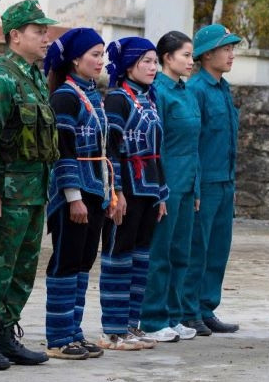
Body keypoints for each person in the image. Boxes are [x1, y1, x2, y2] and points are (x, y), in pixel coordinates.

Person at [0, 0, 59, 368]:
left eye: (47, 31)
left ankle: (6, 333)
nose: (46, 38)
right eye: (39, 32)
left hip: (34, 190)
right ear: (15, 35)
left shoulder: (34, 76)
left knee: (23, 267)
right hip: (7, 193)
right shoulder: (1, 78)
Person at [43, 27, 114, 360]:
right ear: (75, 59)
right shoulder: (65, 96)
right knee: (67, 260)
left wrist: (110, 193)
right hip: (75, 192)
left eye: (102, 55)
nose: (100, 61)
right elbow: (63, 149)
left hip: (94, 189)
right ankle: (58, 336)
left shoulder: (92, 94)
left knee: (84, 262)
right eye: (94, 55)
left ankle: (74, 330)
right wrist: (73, 196)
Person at [99, 37, 171, 349]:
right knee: (119, 255)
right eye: (147, 62)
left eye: (155, 62)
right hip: (127, 188)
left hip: (148, 189)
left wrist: (162, 194)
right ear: (129, 65)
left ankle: (132, 324)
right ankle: (114, 329)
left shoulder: (149, 99)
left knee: (141, 257)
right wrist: (116, 192)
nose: (153, 68)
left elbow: (157, 149)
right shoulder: (118, 99)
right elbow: (109, 148)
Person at [140, 31, 202, 342]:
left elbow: (195, 145)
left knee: (181, 253)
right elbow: (156, 146)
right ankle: (152, 317)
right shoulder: (158, 93)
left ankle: (174, 315)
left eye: (191, 56)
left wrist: (197, 189)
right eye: (186, 55)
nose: (191, 62)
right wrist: (160, 189)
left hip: (188, 183)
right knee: (160, 253)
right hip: (167, 185)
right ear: (168, 58)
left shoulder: (187, 92)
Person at [184, 23, 242, 337]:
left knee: (218, 249)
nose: (231, 54)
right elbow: (192, 141)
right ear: (207, 55)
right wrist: (194, 184)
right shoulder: (196, 90)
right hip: (204, 182)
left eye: (232, 48)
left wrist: (232, 182)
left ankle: (206, 308)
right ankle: (189, 309)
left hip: (224, 181)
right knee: (197, 248)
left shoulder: (223, 88)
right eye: (226, 48)